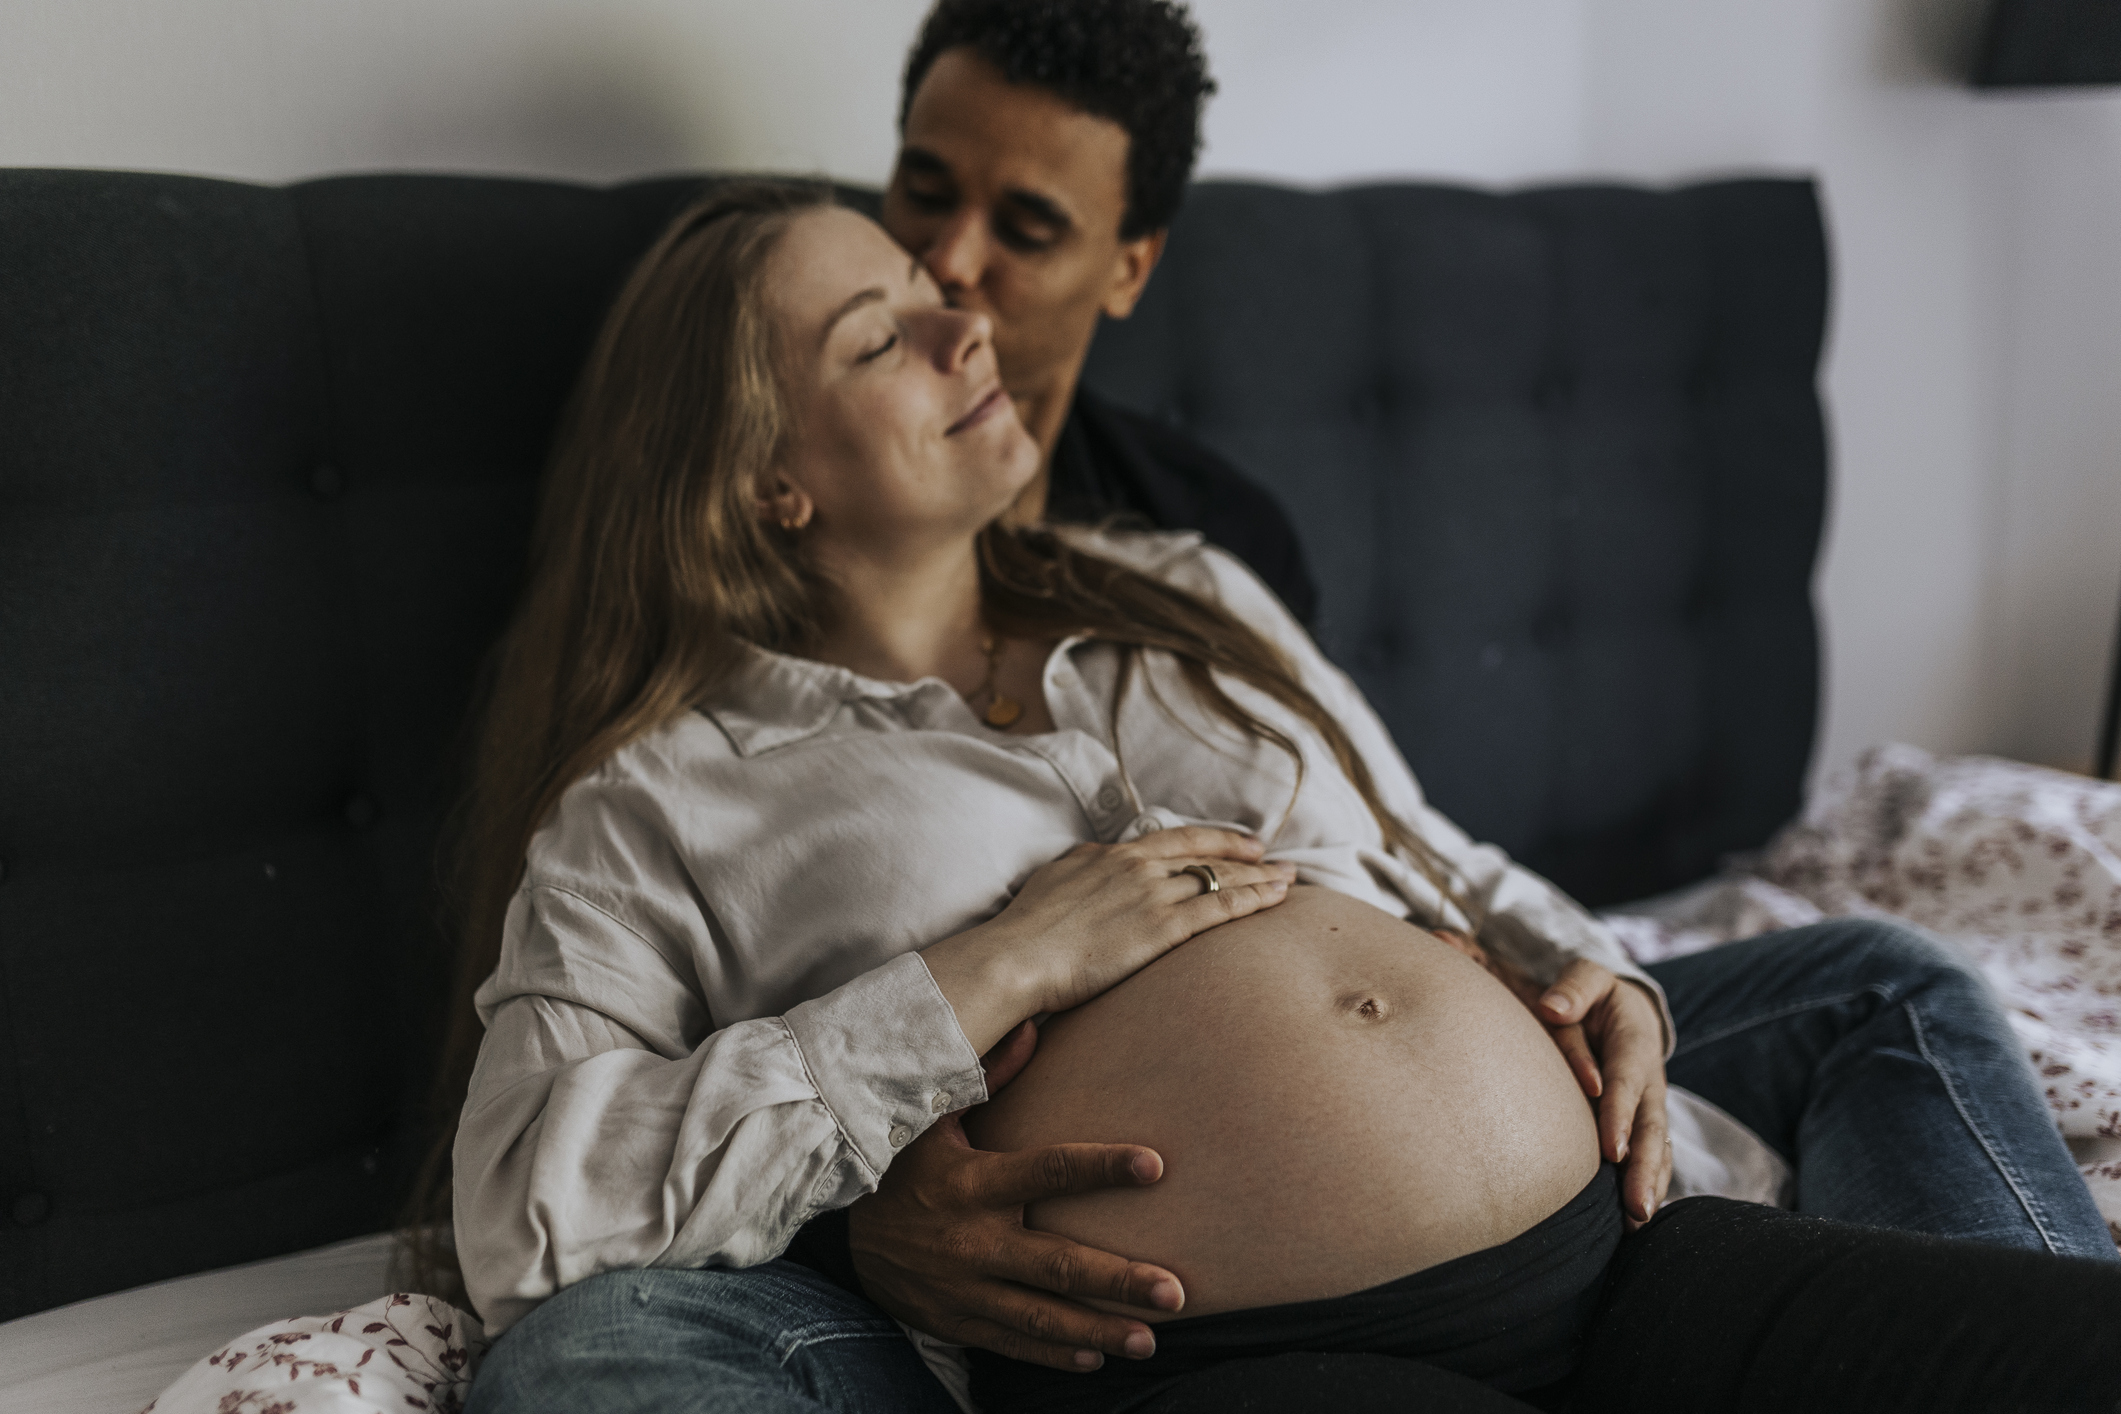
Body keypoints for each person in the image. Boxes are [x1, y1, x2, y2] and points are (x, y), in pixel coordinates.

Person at [451, 183, 2121, 1414]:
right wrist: (995, 971)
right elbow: (526, 1199)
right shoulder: (660, 796)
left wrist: (1580, 972)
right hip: (1239, 1343)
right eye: (882, 332)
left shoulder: (1177, 584)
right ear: (767, 480)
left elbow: (1433, 854)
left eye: (929, 284)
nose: (972, 322)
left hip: (1619, 1238)